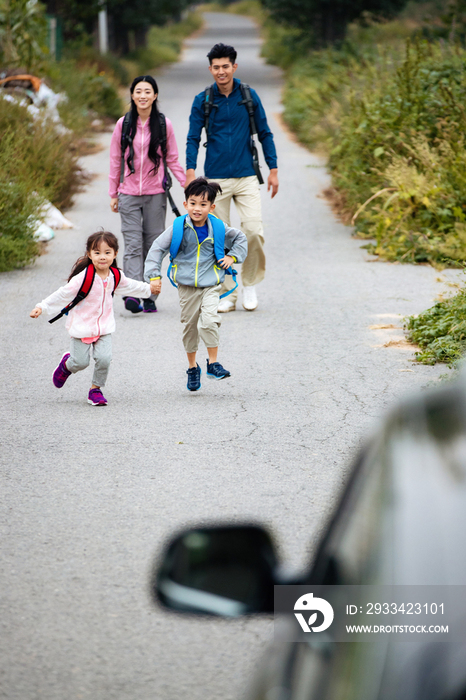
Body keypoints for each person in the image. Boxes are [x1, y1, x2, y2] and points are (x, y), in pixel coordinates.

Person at [185, 42, 278, 313]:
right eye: (216, 67)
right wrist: (191, 170)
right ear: (211, 69)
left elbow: (265, 133)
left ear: (234, 66)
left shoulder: (248, 96)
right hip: (215, 180)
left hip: (247, 174)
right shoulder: (203, 100)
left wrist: (273, 169)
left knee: (252, 231)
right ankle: (229, 292)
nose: (221, 71)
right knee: (220, 238)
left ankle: (249, 284)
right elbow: (193, 137)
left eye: (226, 66)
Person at [144, 177, 248, 392]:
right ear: (185, 204)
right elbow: (156, 249)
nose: (197, 209)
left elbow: (240, 239)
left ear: (212, 207)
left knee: (209, 321)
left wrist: (233, 258)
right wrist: (154, 276)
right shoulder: (178, 228)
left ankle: (213, 363)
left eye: (203, 204)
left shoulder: (218, 228)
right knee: (190, 327)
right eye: (193, 203)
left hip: (211, 284)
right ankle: (193, 367)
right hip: (186, 287)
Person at [30, 231, 157, 406]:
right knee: (80, 362)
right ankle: (67, 365)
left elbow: (131, 286)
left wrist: (149, 289)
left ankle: (95, 389)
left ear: (115, 254)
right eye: (97, 253)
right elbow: (62, 294)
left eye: (107, 252)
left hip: (104, 327)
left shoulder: (116, 276)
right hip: (81, 327)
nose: (102, 257)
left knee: (104, 359)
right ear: (89, 255)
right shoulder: (82, 278)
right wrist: (41, 307)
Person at [109, 75, 186, 314]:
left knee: (153, 244)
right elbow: (115, 160)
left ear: (155, 96)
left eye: (147, 91)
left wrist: (188, 185)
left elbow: (172, 158)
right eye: (138, 91)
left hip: (156, 193)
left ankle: (150, 294)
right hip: (128, 193)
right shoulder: (123, 124)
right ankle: (133, 293)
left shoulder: (164, 125)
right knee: (132, 244)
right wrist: (113, 192)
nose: (143, 96)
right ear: (132, 95)